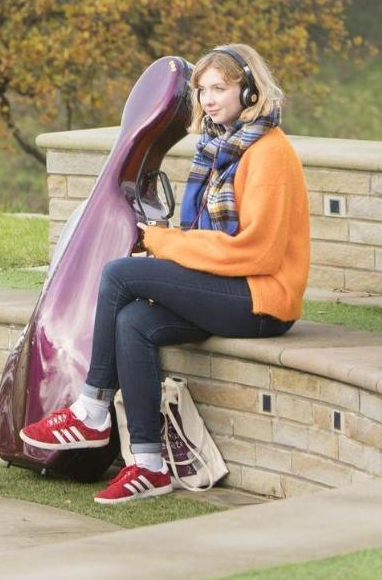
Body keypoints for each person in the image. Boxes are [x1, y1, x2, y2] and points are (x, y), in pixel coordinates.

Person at [20, 44, 310, 504]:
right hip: (229, 289)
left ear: (250, 89)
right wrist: (164, 238)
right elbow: (206, 236)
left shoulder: (269, 154)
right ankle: (149, 464)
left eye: (221, 88)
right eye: (202, 91)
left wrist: (163, 243)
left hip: (260, 300)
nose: (209, 100)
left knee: (119, 276)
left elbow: (258, 251)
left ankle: (92, 409)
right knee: (132, 320)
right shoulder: (221, 148)